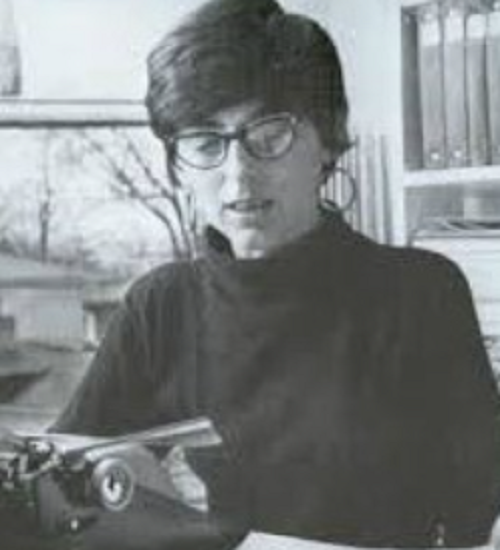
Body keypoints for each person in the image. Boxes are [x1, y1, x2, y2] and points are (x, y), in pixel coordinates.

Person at [2, 0, 500, 548]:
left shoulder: (421, 293)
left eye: (269, 135)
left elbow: (474, 516)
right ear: (178, 165)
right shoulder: (161, 306)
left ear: (328, 140)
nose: (239, 175)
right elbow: (54, 489)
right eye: (205, 142)